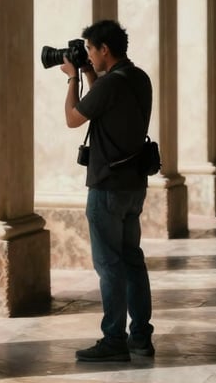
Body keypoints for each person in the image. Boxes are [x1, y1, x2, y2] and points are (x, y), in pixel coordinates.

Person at [61, 19, 155, 363]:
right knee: (132, 260)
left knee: (109, 265)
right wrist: (88, 75)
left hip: (106, 187)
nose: (86, 54)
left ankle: (113, 338)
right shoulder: (138, 77)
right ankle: (141, 336)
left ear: (104, 49)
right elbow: (105, 101)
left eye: (89, 49)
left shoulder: (110, 84)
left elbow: (73, 118)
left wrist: (73, 77)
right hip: (133, 185)